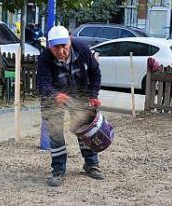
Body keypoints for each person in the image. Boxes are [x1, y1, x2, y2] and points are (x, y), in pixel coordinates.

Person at [37, 25, 103, 187]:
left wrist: (93, 95)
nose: (60, 51)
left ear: (70, 42)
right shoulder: (45, 58)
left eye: (63, 46)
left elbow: (95, 73)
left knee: (86, 129)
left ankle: (91, 164)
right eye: (56, 47)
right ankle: (58, 170)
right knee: (56, 133)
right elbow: (42, 83)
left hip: (79, 92)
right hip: (54, 97)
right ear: (49, 47)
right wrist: (55, 95)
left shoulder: (82, 49)